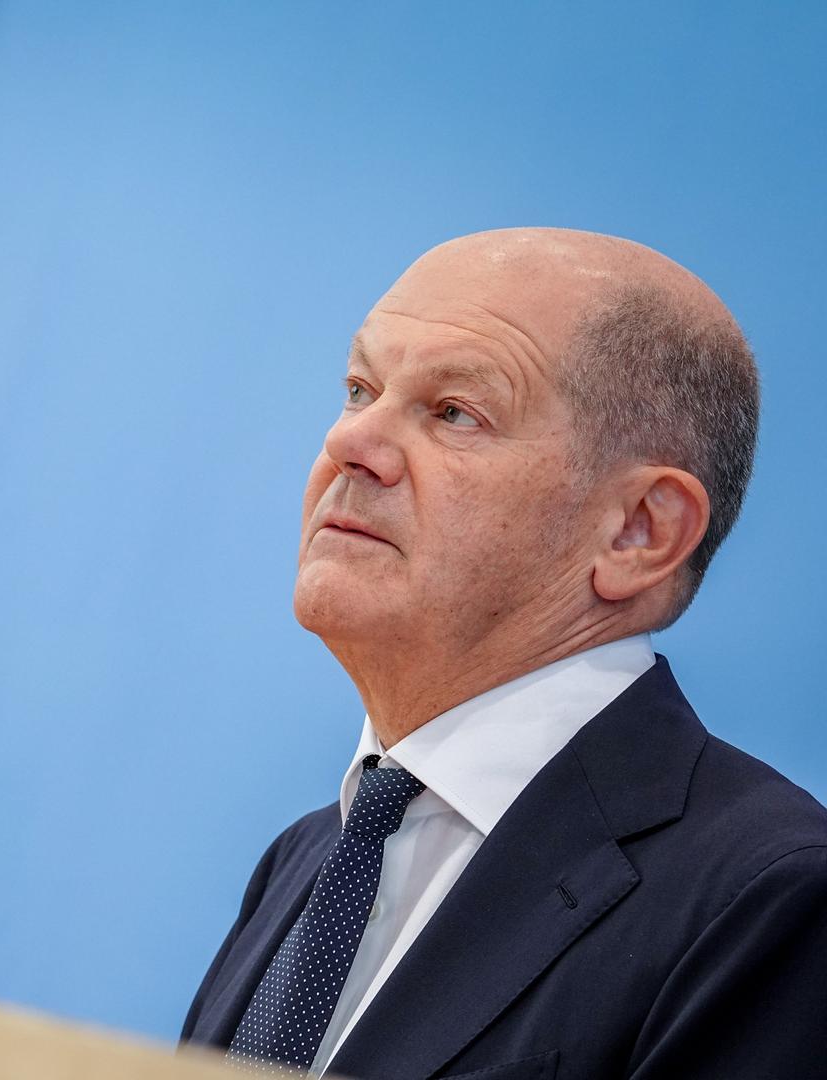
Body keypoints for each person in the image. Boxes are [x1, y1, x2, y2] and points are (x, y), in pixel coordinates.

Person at [181, 229, 827, 1078]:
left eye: (454, 412)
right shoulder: (308, 856)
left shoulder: (769, 898)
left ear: (639, 531)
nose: (351, 445)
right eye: (358, 389)